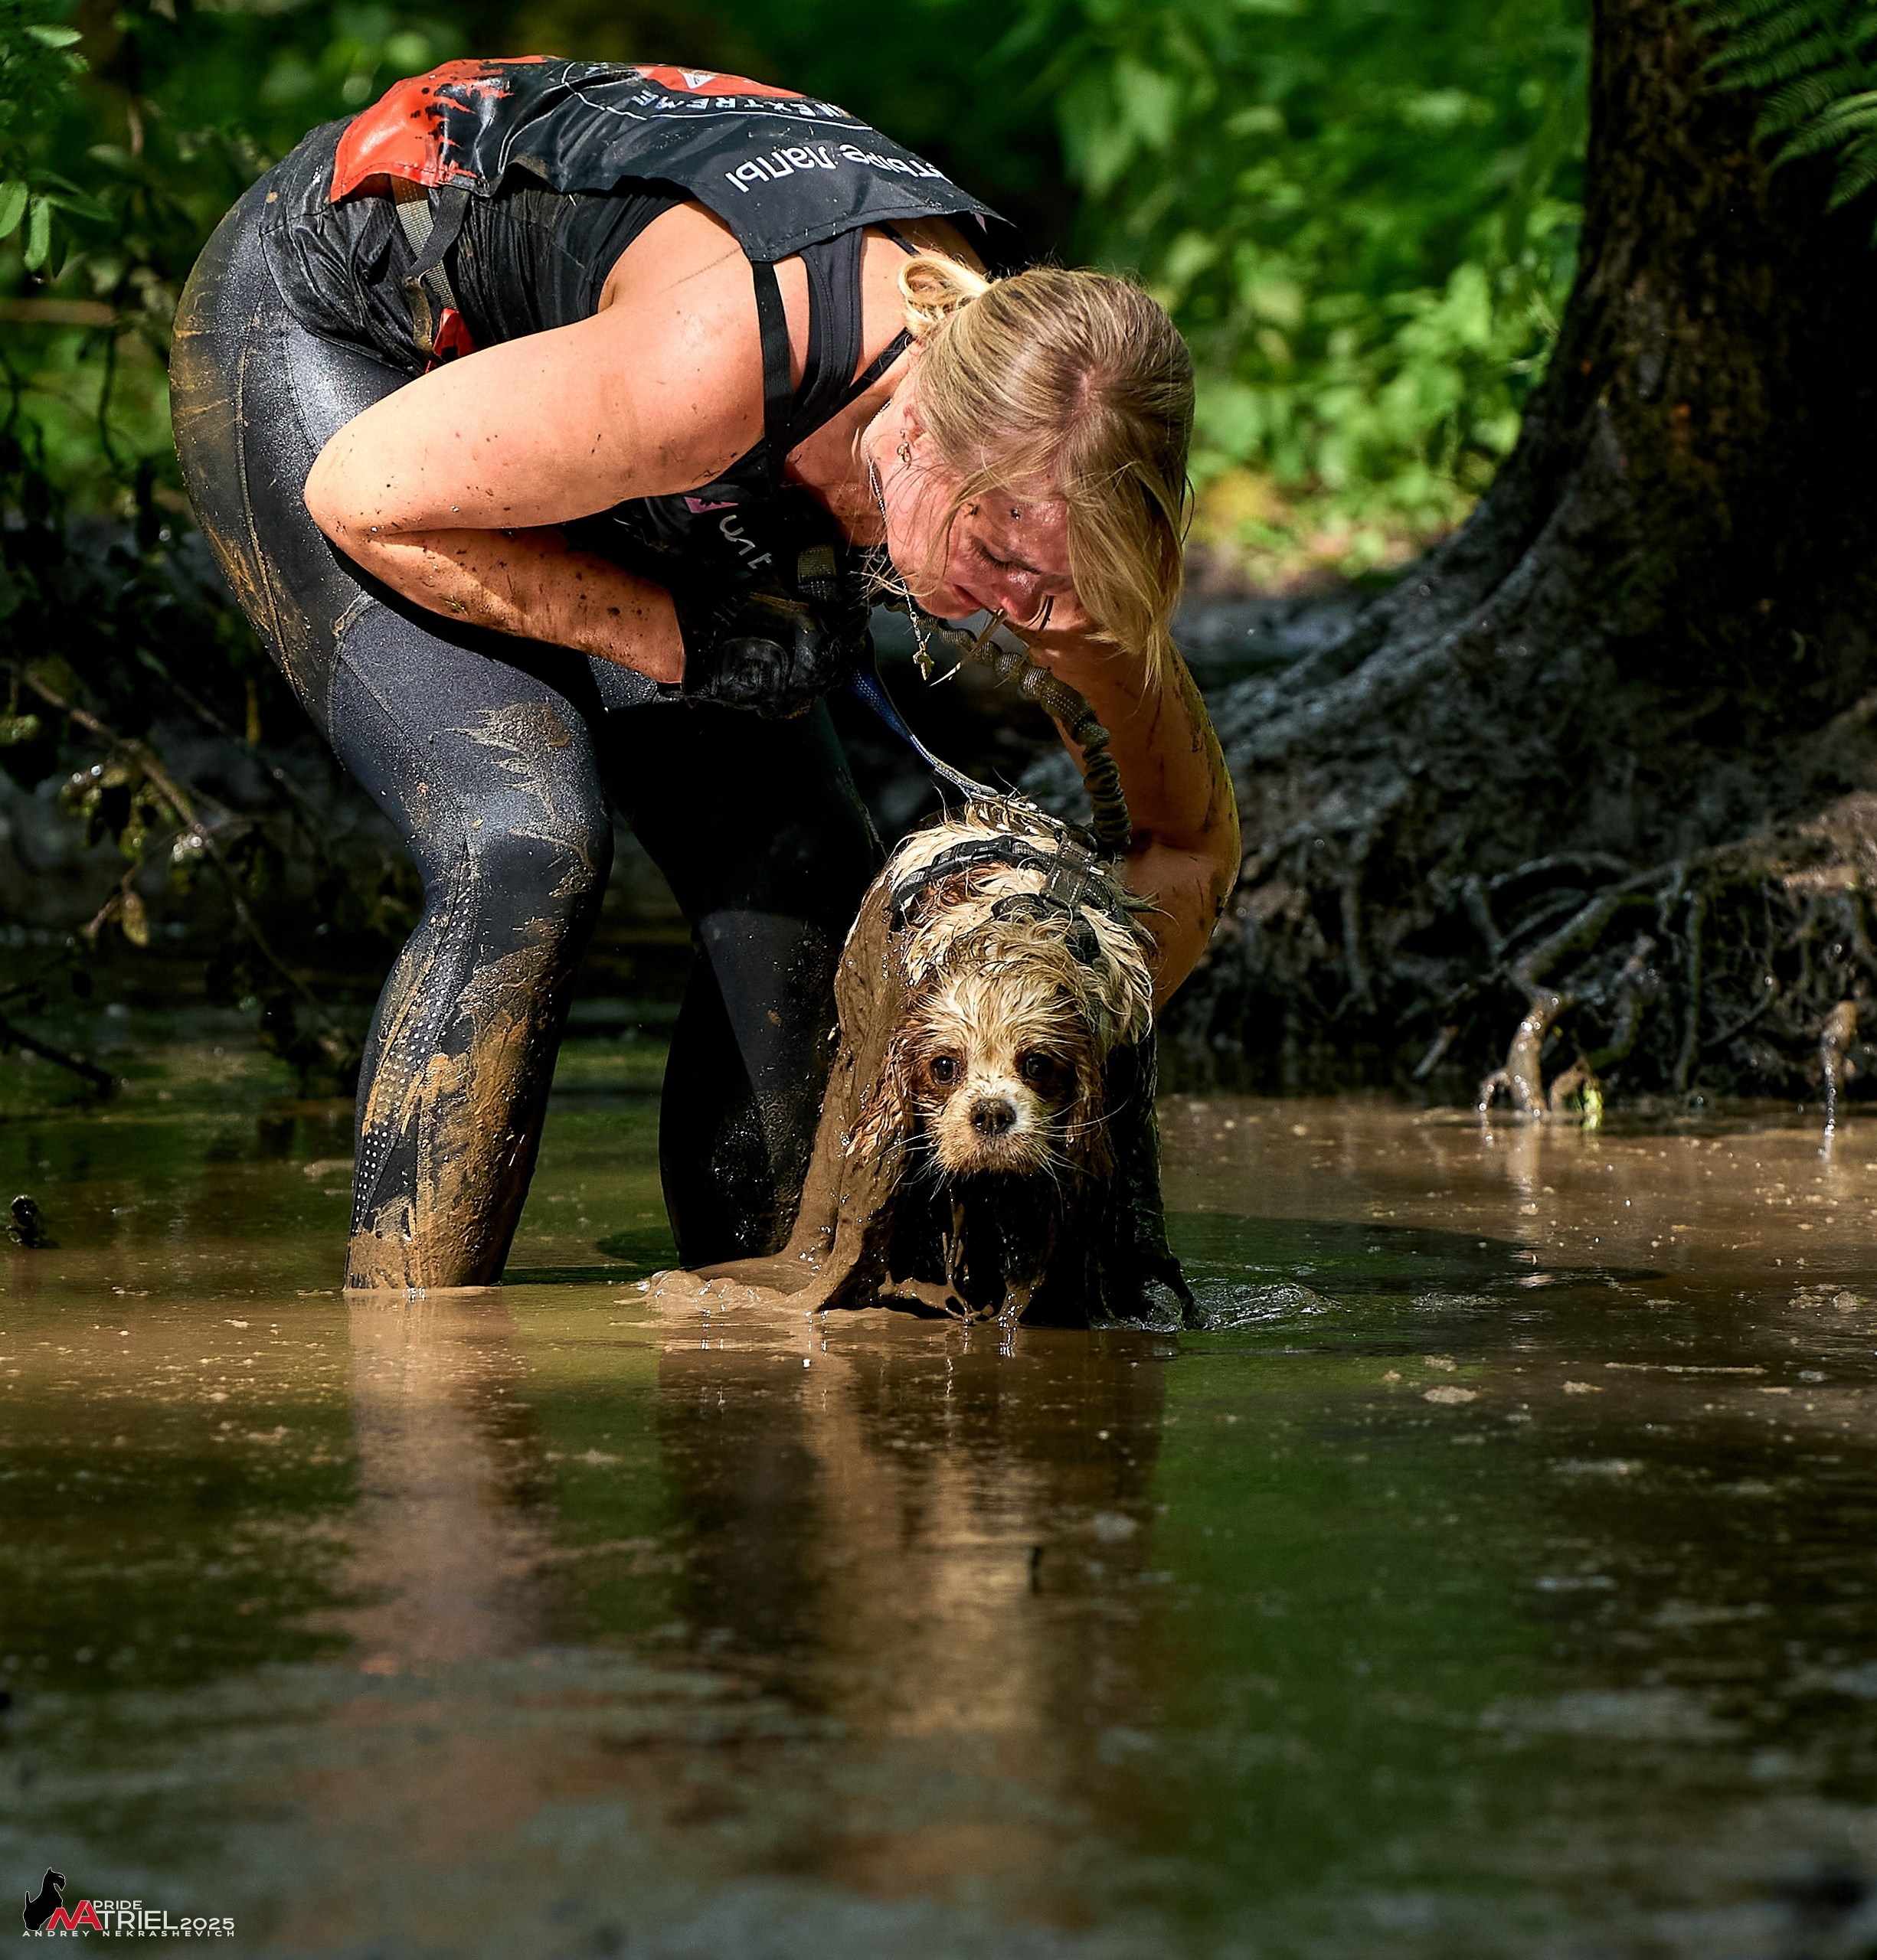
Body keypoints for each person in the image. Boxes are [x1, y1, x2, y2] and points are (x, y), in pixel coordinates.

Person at [170, 58, 1240, 1291]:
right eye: (997, 559)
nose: (1020, 610)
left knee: (810, 883)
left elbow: (1191, 847)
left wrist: (1063, 995)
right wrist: (683, 638)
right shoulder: (721, 359)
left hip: (604, 424)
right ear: (925, 430)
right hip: (351, 346)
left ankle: (767, 1344)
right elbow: (365, 500)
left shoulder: (1054, 498)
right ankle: (412, 1368)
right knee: (526, 840)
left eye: (1053, 592)